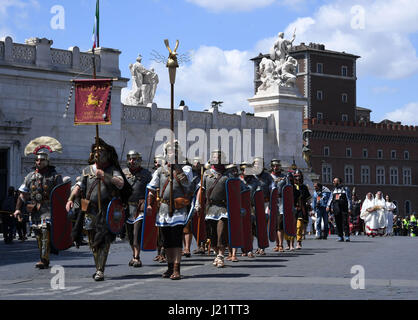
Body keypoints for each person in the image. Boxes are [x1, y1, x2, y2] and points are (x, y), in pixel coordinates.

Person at [66, 138, 131, 281]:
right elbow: (79, 186)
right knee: (92, 241)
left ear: (107, 154)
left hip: (106, 210)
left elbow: (120, 184)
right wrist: (70, 199)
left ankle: (100, 269)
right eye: (95, 151)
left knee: (103, 240)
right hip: (89, 209)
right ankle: (98, 267)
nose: (97, 154)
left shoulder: (112, 169)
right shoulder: (87, 170)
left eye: (100, 151)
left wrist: (105, 175)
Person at [14, 137, 63, 269]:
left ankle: (44, 259)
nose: (39, 162)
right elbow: (22, 193)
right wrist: (18, 209)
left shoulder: (55, 176)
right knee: (38, 235)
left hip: (49, 209)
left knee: (45, 232)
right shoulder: (30, 177)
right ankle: (43, 256)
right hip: (35, 209)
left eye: (41, 160)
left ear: (47, 161)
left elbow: (61, 195)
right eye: (37, 160)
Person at [146, 140, 192, 279]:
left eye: (174, 152)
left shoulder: (185, 169)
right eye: (169, 151)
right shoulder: (160, 170)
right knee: (166, 241)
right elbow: (152, 189)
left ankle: (177, 269)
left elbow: (186, 183)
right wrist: (149, 204)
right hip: (163, 210)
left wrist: (176, 167)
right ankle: (170, 267)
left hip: (178, 209)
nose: (171, 154)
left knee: (176, 239)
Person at [123, 150, 152, 268]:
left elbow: (151, 189)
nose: (132, 161)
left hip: (140, 207)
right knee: (129, 234)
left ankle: (137, 257)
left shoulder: (146, 173)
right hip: (127, 207)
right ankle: (133, 254)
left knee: (136, 233)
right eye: (130, 158)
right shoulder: (123, 173)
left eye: (134, 159)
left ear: (139, 160)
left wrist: (147, 201)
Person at [326, 177, 352, 242]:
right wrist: (328, 206)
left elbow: (349, 199)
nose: (333, 182)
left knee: (345, 222)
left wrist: (349, 208)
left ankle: (347, 236)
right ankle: (340, 236)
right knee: (338, 223)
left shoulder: (345, 189)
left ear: (339, 182)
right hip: (336, 208)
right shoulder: (333, 190)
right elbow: (330, 199)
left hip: (344, 208)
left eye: (335, 181)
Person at [270, 159, 286, 252]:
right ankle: (276, 244)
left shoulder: (284, 177)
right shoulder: (269, 177)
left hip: (281, 202)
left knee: (280, 224)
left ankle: (281, 244)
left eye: (277, 166)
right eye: (274, 166)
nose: (276, 168)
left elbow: (288, 189)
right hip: (271, 202)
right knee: (274, 225)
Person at [293, 170, 311, 249]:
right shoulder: (291, 186)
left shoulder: (304, 187)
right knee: (292, 226)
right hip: (292, 208)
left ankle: (299, 242)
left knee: (299, 226)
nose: (297, 178)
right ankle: (290, 243)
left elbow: (308, 199)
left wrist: (308, 204)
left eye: (299, 176)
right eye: (296, 176)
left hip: (301, 208)